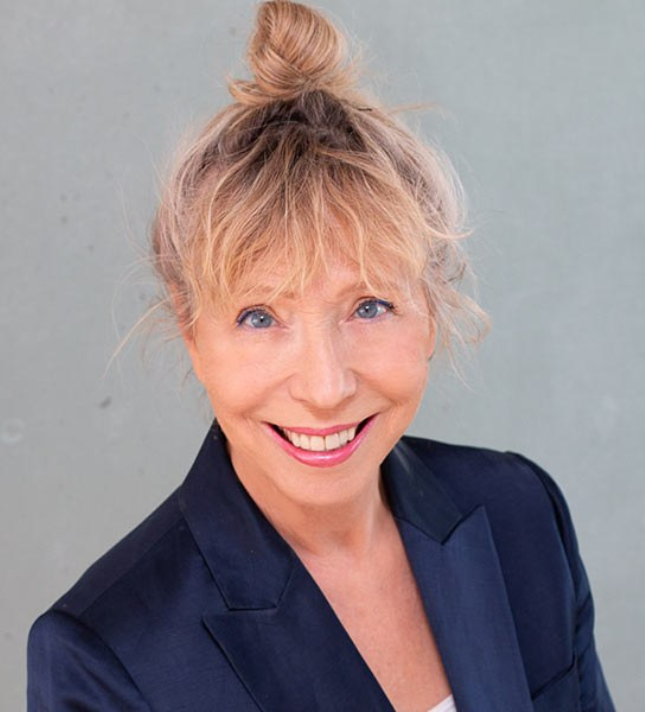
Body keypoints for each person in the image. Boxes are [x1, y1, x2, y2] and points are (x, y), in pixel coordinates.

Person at [27, 1, 615, 710]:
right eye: (259, 317)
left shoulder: (522, 515)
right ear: (191, 332)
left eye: (369, 306)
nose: (325, 386)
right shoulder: (108, 654)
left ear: (431, 307)